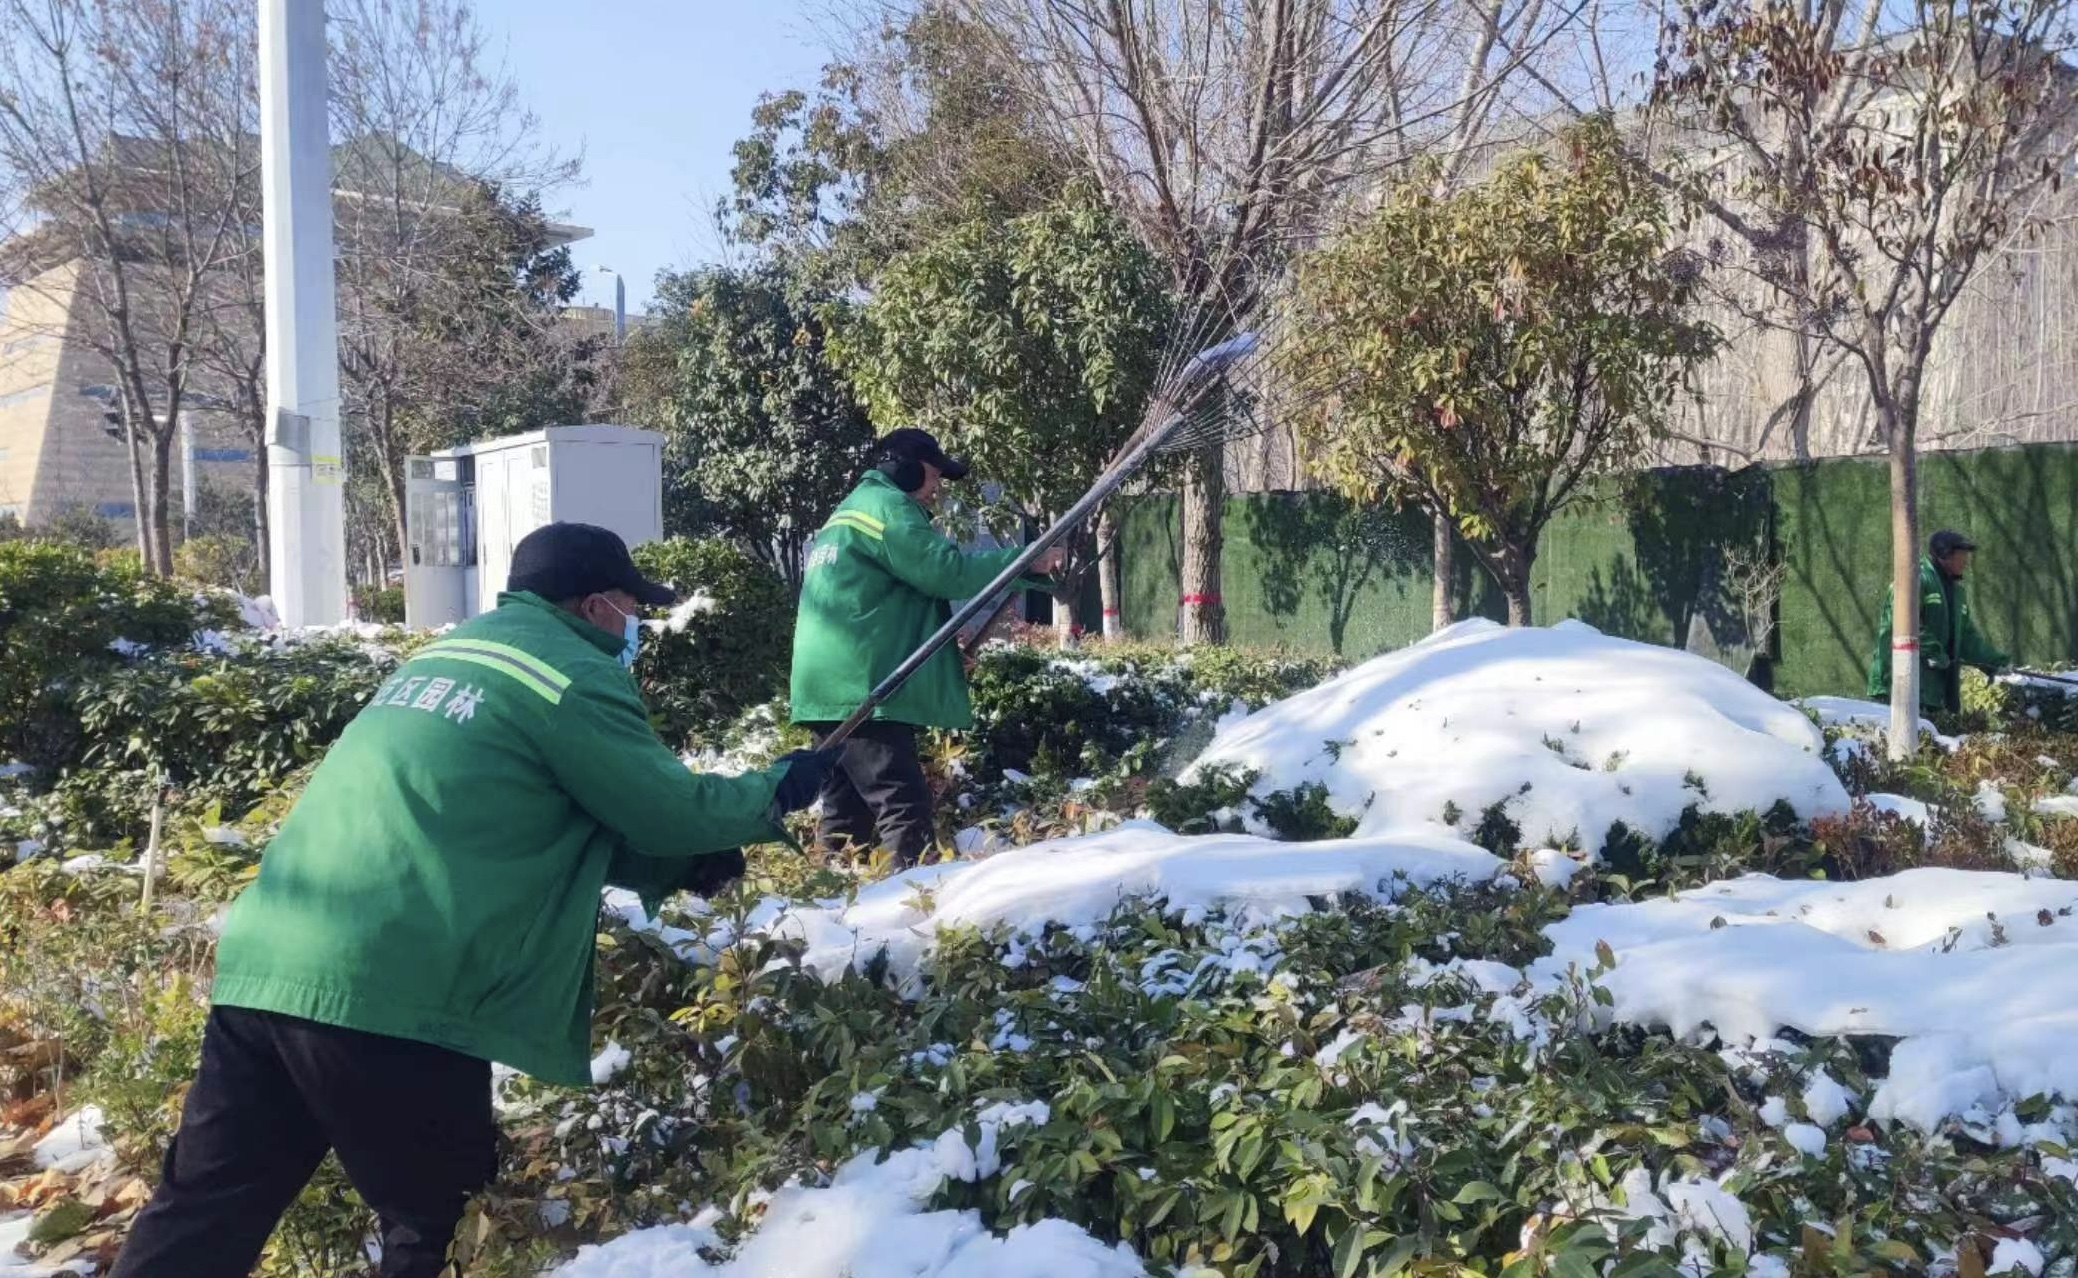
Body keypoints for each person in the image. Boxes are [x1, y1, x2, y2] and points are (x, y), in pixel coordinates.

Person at [112, 522, 833, 1278]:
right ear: (595, 607)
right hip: (393, 984)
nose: (637, 623)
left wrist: (680, 867)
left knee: (207, 1206)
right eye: (631, 604)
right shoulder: (570, 675)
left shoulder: (451, 655)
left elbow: (521, 813)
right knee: (439, 1222)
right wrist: (772, 790)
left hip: (268, 962)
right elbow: (663, 807)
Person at [789, 428, 1063, 868]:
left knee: (846, 812)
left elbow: (882, 601)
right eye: (934, 477)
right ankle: (912, 906)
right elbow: (944, 572)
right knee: (902, 803)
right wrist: (1025, 559)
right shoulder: (888, 508)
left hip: (829, 686)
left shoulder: (849, 511)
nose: (936, 491)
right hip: (864, 686)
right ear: (904, 467)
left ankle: (826, 899)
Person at [1866, 528, 2010, 715]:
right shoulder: (1915, 579)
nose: (1965, 561)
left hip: (1935, 693)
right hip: (1899, 686)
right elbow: (1904, 625)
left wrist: (1996, 663)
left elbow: (1967, 638)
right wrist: (1936, 653)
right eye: (1961, 555)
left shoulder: (1958, 593)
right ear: (1945, 554)